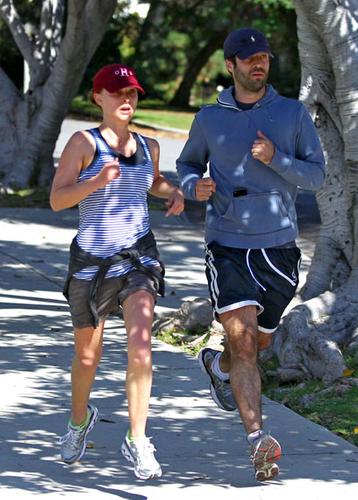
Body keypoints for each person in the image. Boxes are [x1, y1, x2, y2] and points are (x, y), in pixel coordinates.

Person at [176, 28, 325, 481]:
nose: (258, 64)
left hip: (278, 247)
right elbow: (186, 165)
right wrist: (192, 186)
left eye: (264, 57)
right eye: (249, 58)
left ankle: (218, 367)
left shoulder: (292, 113)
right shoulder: (208, 118)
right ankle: (258, 440)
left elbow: (316, 176)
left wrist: (277, 158)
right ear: (231, 65)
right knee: (243, 341)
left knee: (258, 343)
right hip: (226, 244)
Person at [50, 63, 184, 480]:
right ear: (99, 98)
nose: (126, 100)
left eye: (132, 94)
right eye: (117, 92)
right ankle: (78, 422)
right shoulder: (83, 143)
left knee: (141, 343)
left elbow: (152, 180)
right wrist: (96, 181)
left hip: (137, 258)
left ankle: (138, 439)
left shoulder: (148, 146)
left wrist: (174, 191)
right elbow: (57, 200)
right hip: (92, 263)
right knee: (88, 355)